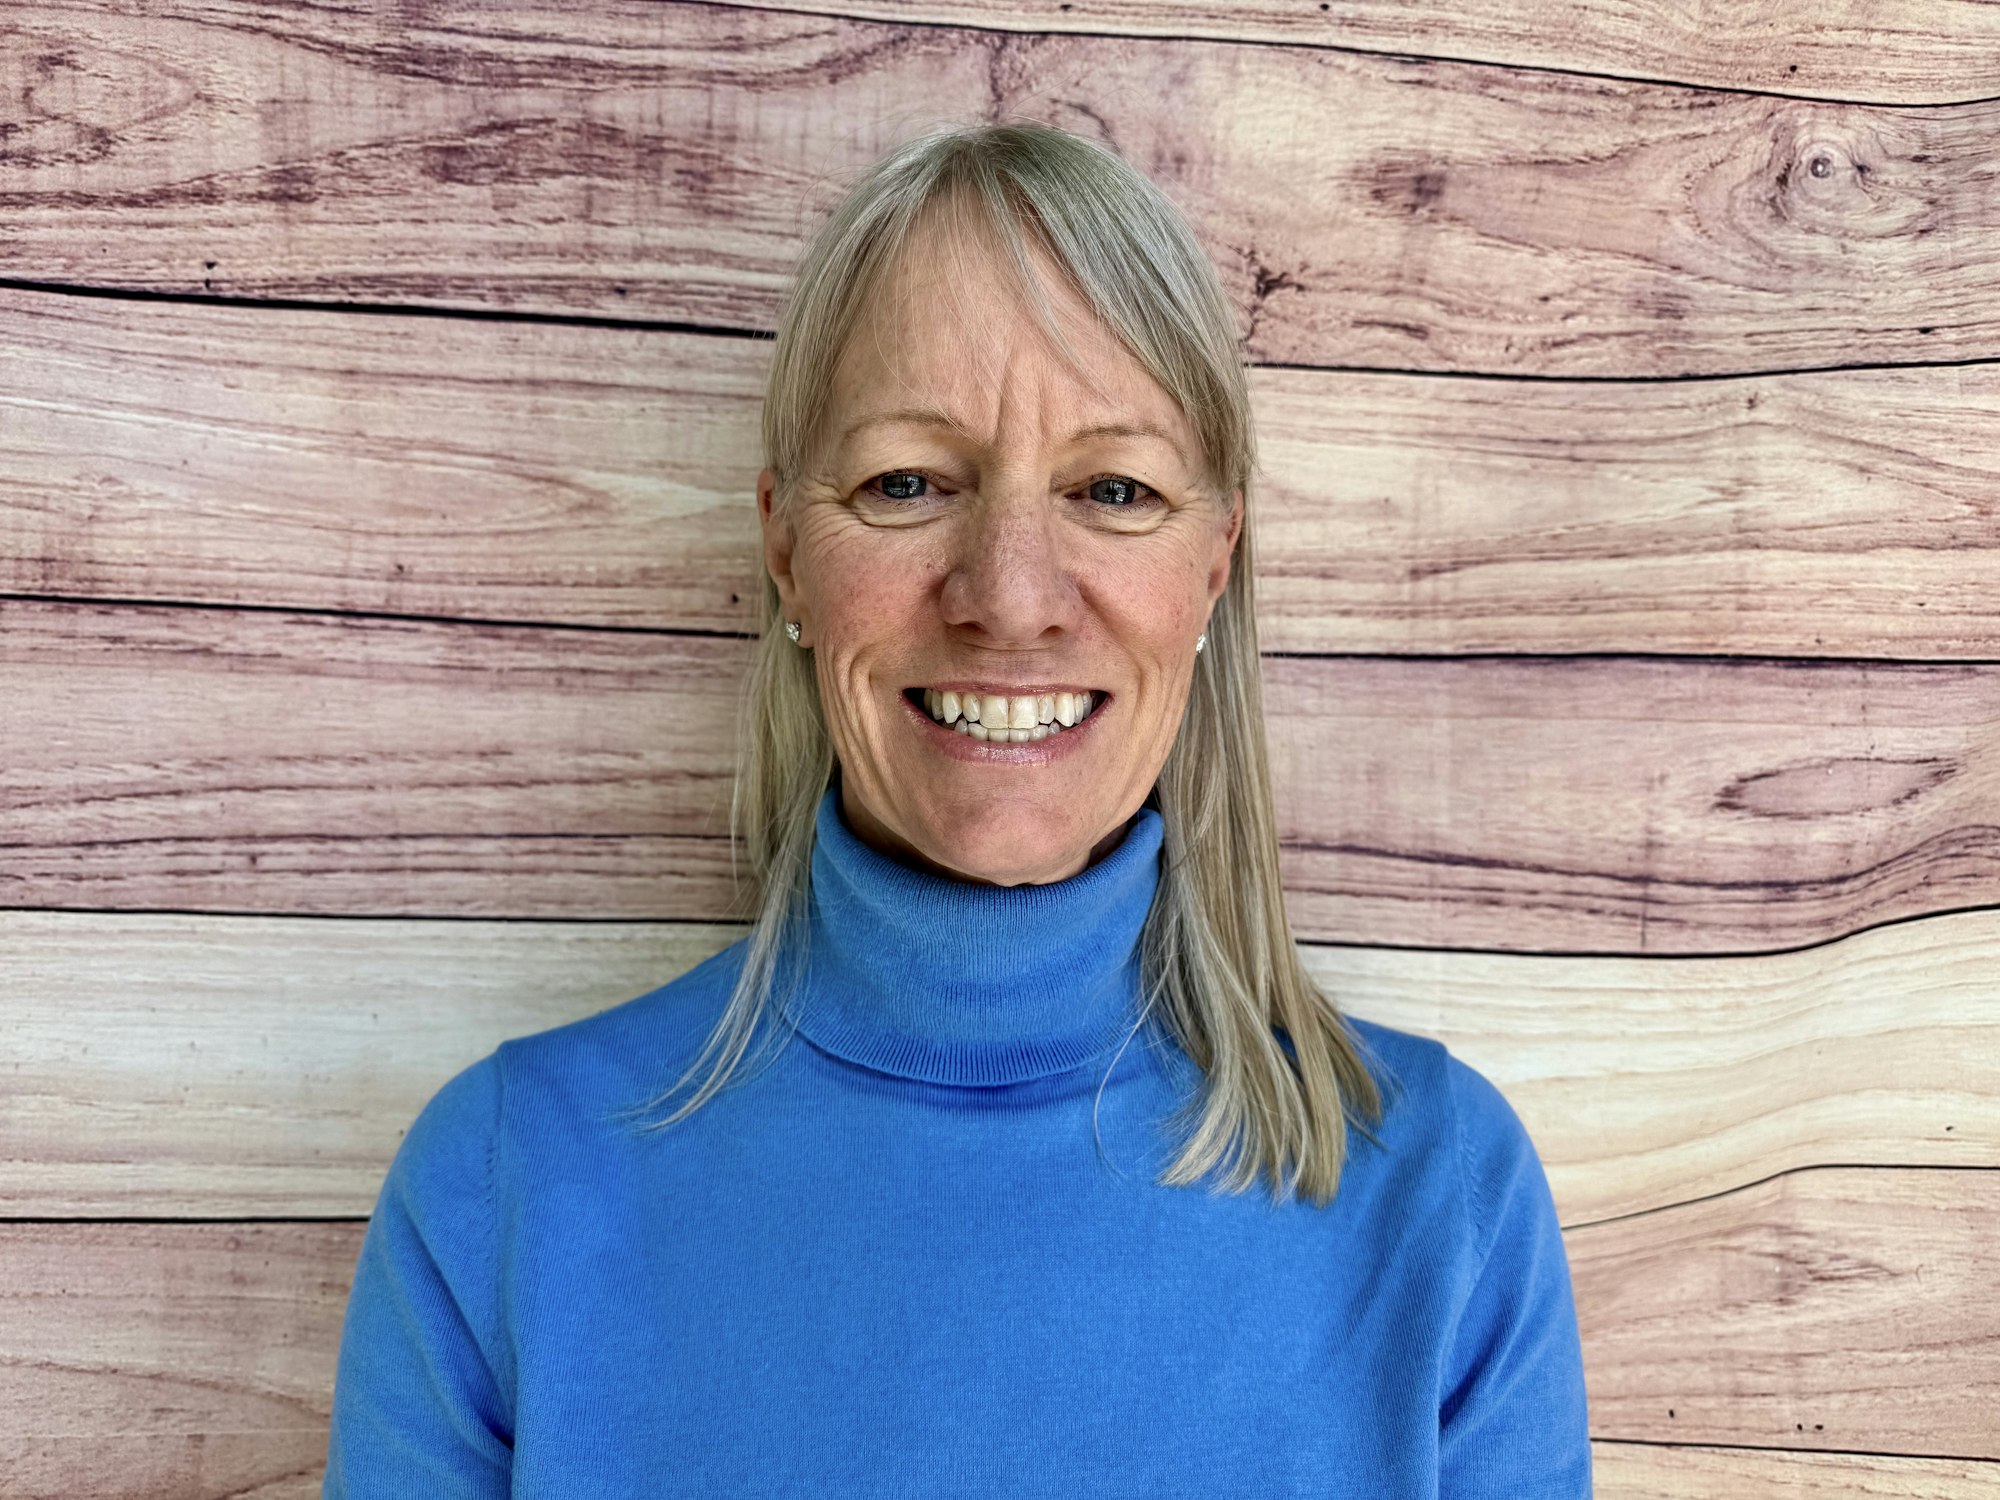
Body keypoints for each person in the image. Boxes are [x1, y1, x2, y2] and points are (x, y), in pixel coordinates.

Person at [323, 120, 1591, 1497]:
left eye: (1114, 490)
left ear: (1216, 561)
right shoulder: (505, 1191)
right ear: (785, 548)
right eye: (908, 483)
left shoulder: (1441, 1202)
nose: (1010, 596)